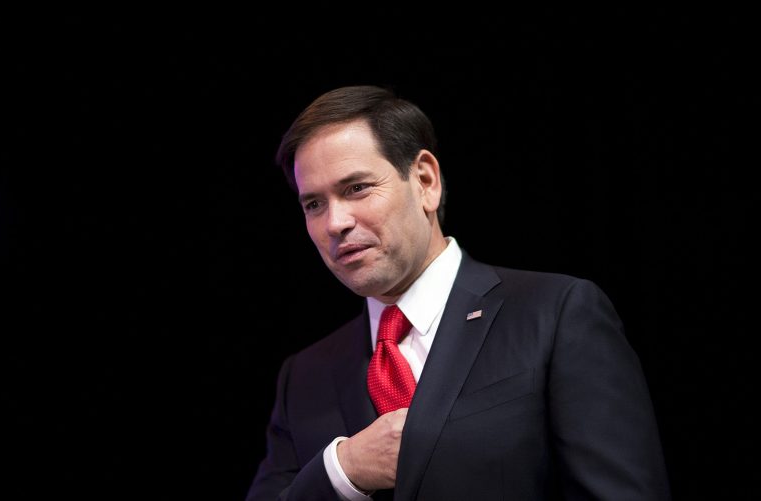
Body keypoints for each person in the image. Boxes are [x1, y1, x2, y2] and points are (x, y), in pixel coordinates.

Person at [245, 85, 671, 501]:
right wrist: (344, 469)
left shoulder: (555, 314)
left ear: (426, 181)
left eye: (356, 188)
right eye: (313, 204)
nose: (335, 222)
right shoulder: (303, 376)